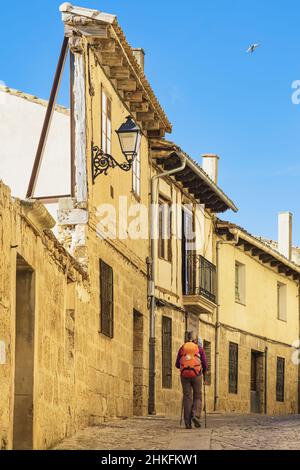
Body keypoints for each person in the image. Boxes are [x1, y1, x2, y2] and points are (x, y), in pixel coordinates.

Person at [175, 331, 208, 429]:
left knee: (187, 397)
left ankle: (187, 423)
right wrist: (204, 371)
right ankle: (195, 415)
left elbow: (177, 364)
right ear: (196, 339)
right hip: (197, 375)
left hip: (184, 375)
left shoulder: (182, 348)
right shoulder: (199, 349)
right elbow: (205, 364)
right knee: (197, 396)